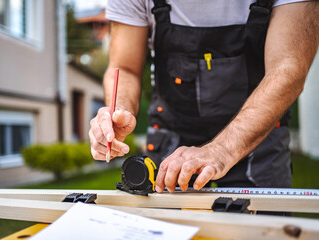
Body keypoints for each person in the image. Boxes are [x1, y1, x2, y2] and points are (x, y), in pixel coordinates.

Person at [89, 0, 319, 193]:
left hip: (258, 140)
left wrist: (221, 150)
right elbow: (124, 68)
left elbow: (288, 67)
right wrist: (118, 110)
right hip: (171, 136)